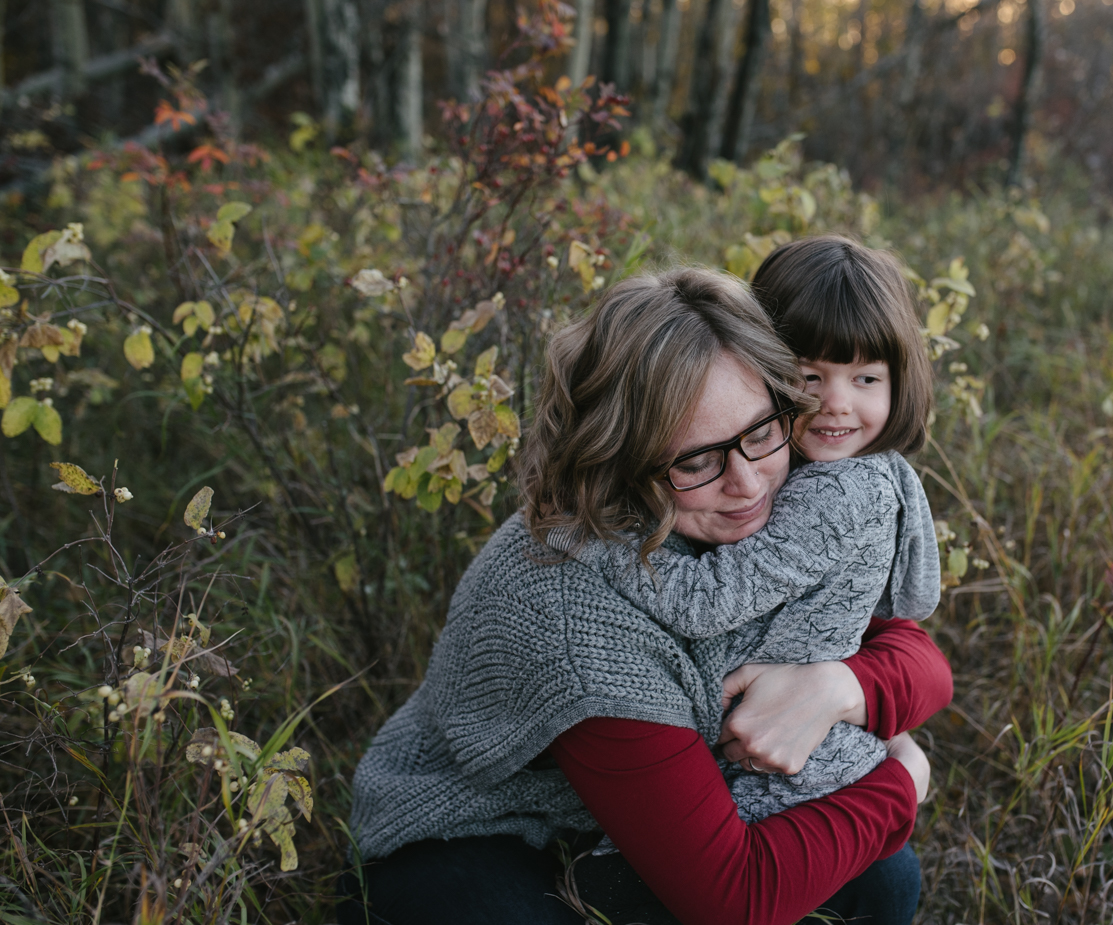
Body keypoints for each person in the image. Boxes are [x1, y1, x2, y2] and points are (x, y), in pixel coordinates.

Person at [339, 267, 953, 925]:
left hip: (642, 820)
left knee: (882, 880)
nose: (747, 483)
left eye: (762, 432)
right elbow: (735, 899)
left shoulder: (751, 491)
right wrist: (903, 779)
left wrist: (842, 688)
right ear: (621, 459)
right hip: (489, 829)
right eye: (695, 459)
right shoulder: (577, 614)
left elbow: (915, 653)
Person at [563, 235, 941, 827]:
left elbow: (706, 601)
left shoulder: (840, 490)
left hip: (788, 759)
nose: (836, 404)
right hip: (770, 732)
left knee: (736, 854)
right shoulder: (823, 471)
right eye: (809, 377)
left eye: (866, 378)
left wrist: (592, 542)